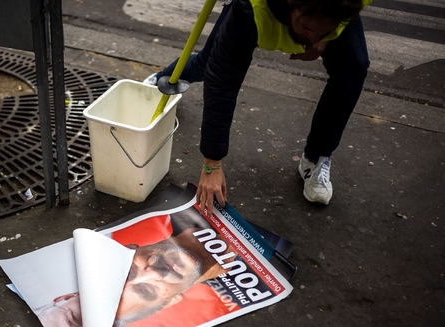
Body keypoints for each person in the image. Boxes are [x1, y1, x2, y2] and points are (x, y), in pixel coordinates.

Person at [145, 0, 370, 213]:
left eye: (321, 30)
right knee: (210, 63)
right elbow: (223, 80)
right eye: (307, 27)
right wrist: (211, 163)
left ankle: (316, 157)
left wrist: (328, 34)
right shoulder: (251, 8)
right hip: (257, 10)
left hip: (326, 15)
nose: (312, 38)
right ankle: (162, 80)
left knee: (352, 68)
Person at [35, 209, 238, 327]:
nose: (151, 272)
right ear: (169, 302)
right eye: (146, 291)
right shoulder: (236, 298)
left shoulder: (159, 211)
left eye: (127, 272)